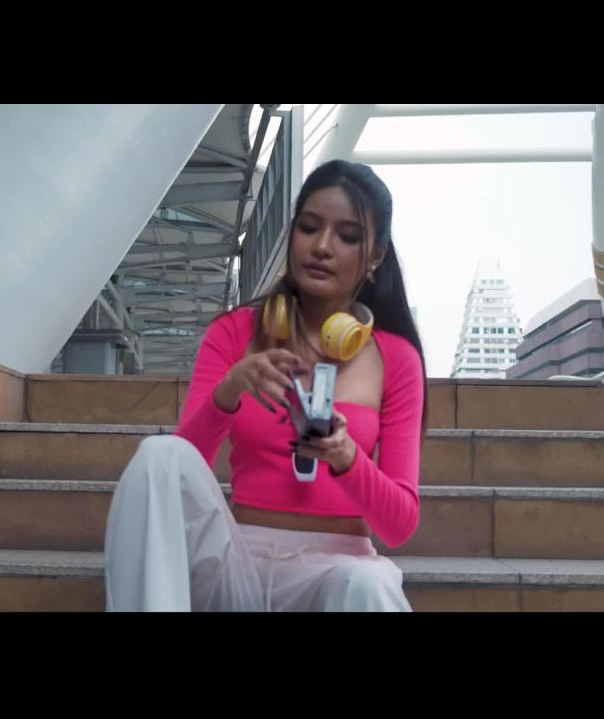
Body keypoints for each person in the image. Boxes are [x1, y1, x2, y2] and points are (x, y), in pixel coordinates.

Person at [104, 159, 427, 612]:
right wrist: (229, 392)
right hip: (236, 563)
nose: (322, 247)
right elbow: (179, 477)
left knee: (369, 584)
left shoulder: (397, 359)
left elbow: (398, 525)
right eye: (309, 228)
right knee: (160, 455)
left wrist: (346, 457)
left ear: (376, 255)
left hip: (336, 572)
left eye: (347, 236)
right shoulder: (234, 332)